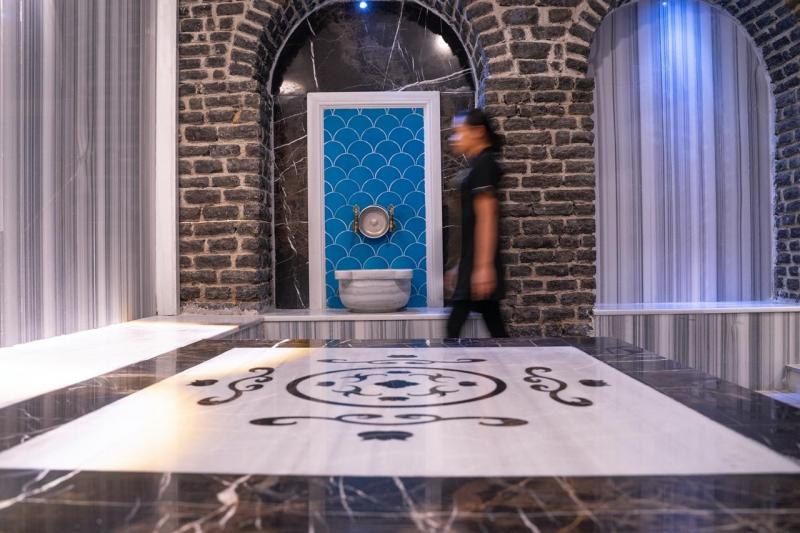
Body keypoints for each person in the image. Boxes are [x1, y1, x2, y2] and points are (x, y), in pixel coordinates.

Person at [445, 109, 508, 338]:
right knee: (493, 323)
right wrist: (459, 265)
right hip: (470, 260)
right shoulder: (476, 165)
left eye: (458, 132)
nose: (454, 138)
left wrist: (483, 267)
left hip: (477, 262)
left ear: (478, 132)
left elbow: (487, 216)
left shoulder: (484, 164)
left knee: (455, 327)